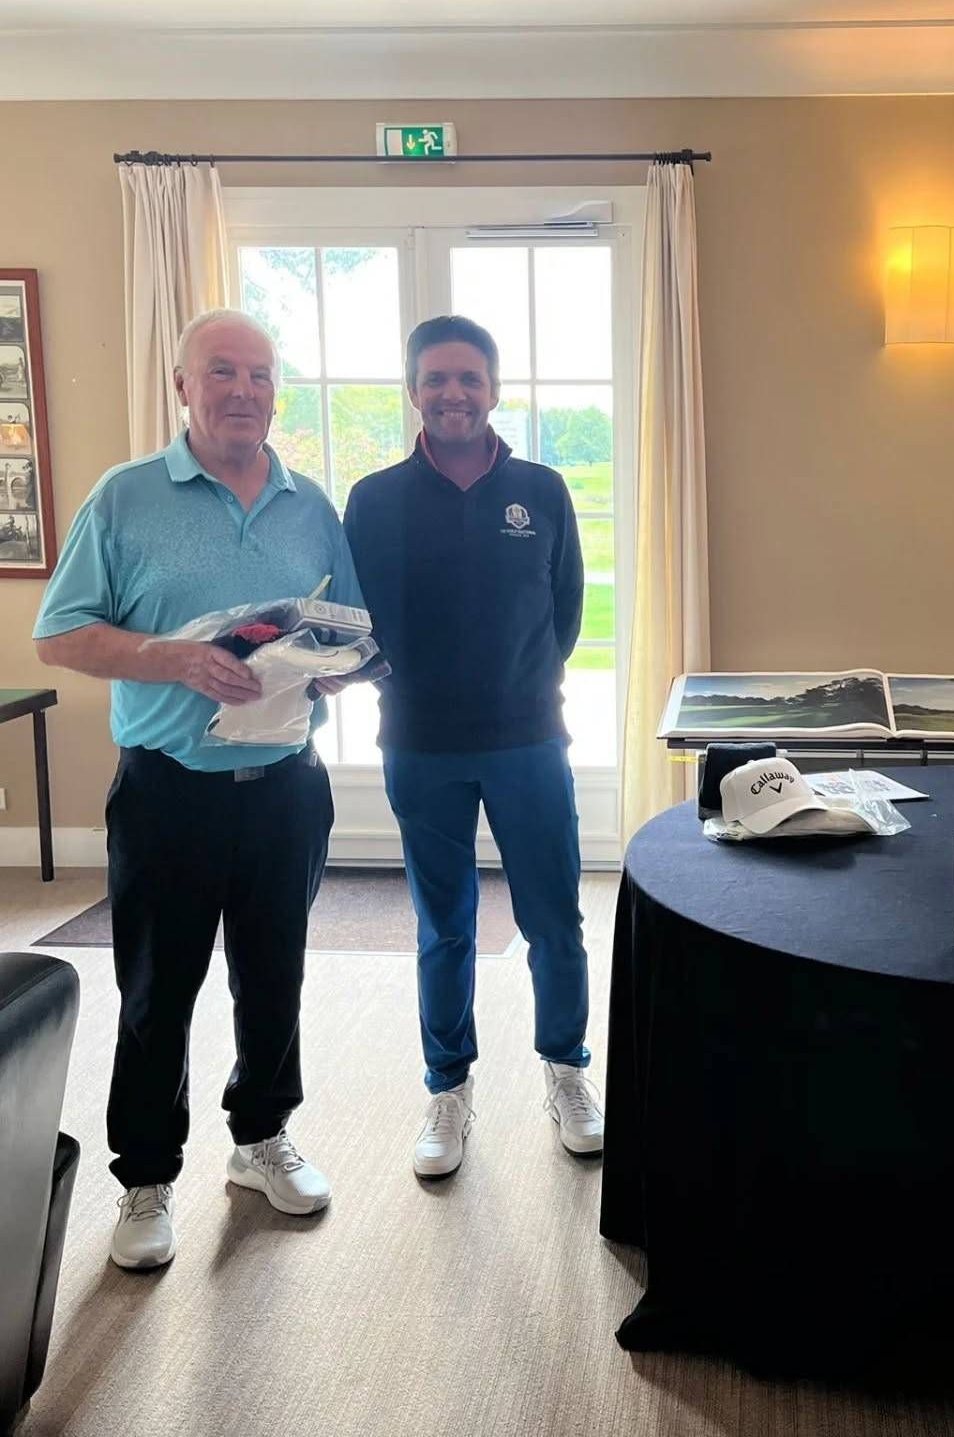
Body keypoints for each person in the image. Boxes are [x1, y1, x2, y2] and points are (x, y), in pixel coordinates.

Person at [34, 310, 366, 1270]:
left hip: (287, 791)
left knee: (275, 978)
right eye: (221, 371)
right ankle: (145, 1178)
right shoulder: (126, 497)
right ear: (182, 385)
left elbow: (345, 627)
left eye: (260, 375)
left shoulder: (310, 504)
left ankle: (261, 1137)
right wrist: (172, 659)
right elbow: (59, 635)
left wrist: (333, 669)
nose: (243, 391)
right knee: (157, 991)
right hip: (168, 794)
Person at [343, 315, 602, 1177]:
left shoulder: (542, 490)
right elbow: (360, 619)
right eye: (436, 379)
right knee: (444, 925)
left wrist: (522, 686)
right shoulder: (375, 499)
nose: (453, 393)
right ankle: (448, 1087)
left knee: (553, 920)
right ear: (412, 390)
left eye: (469, 378)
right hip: (420, 744)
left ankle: (567, 1071)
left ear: (494, 389)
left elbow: (565, 612)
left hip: (529, 741)